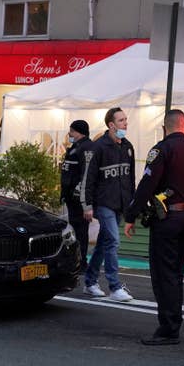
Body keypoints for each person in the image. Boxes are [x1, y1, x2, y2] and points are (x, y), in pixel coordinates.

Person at [124, 109, 184, 345]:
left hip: (167, 218)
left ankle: (169, 328)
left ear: (164, 127)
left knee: (163, 273)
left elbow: (147, 185)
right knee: (176, 271)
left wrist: (131, 216)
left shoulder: (162, 149)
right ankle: (173, 321)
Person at [79, 107, 135, 301]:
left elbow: (130, 178)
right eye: (121, 120)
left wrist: (131, 207)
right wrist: (87, 205)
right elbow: (88, 178)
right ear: (111, 124)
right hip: (104, 203)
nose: (125, 123)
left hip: (120, 203)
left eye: (126, 119)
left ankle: (90, 281)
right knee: (113, 241)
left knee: (103, 243)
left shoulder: (128, 146)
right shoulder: (98, 147)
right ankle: (115, 287)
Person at [60, 119, 94, 270]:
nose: (69, 134)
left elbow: (86, 174)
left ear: (79, 132)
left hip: (78, 198)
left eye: (72, 131)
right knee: (74, 229)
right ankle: (74, 260)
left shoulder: (86, 148)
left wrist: (80, 196)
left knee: (80, 231)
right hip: (70, 196)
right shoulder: (76, 146)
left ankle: (81, 262)